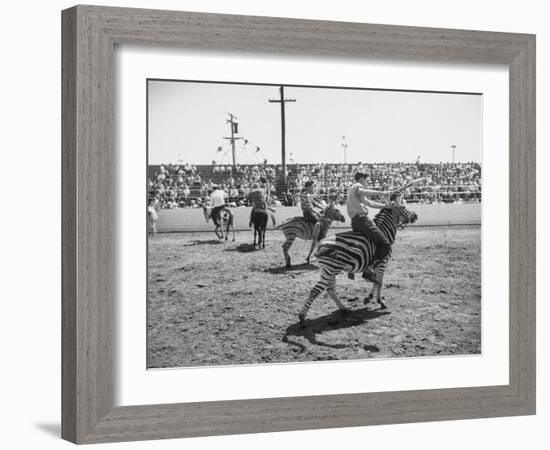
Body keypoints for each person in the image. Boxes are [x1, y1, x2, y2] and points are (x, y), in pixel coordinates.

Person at [347, 172, 391, 280]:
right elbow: (364, 191)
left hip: (355, 221)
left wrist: (385, 206)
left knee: (365, 244)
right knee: (385, 244)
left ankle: (352, 267)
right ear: (362, 179)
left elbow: (370, 203)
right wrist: (382, 193)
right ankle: (369, 269)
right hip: (362, 221)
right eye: (367, 180)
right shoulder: (357, 186)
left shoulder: (354, 191)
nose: (367, 183)